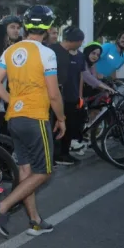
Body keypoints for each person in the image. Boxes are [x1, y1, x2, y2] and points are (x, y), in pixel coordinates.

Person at [0, 5, 65, 238]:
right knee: (45, 171)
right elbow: (53, 94)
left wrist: (12, 102)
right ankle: (2, 207)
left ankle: (35, 221)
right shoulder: (46, 53)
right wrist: (62, 118)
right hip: (36, 117)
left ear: (26, 26)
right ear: (48, 27)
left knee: (26, 170)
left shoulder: (10, 51)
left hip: (15, 118)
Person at [51, 27, 86, 166]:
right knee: (54, 127)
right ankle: (53, 155)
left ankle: (64, 154)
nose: (81, 44)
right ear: (76, 41)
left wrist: (80, 95)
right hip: (56, 96)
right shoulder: (52, 51)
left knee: (69, 126)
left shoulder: (78, 56)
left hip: (72, 97)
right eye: (80, 41)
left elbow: (81, 76)